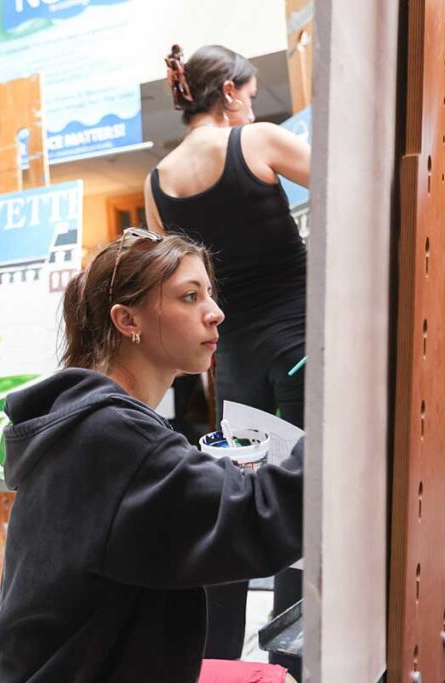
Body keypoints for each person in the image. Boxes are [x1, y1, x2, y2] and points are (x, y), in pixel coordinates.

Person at [0, 231, 304, 682]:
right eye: (190, 296)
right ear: (128, 320)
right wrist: (336, 432)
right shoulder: (111, 434)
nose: (216, 312)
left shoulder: (86, 422)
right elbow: (257, 520)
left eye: (209, 293)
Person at [145, 43, 311, 668]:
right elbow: (361, 190)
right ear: (229, 92)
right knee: (302, 495)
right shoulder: (259, 142)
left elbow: (178, 278)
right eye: (250, 91)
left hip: (233, 355)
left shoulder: (158, 180)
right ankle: (293, 661)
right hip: (301, 342)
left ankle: (215, 662)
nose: (250, 105)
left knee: (239, 497)